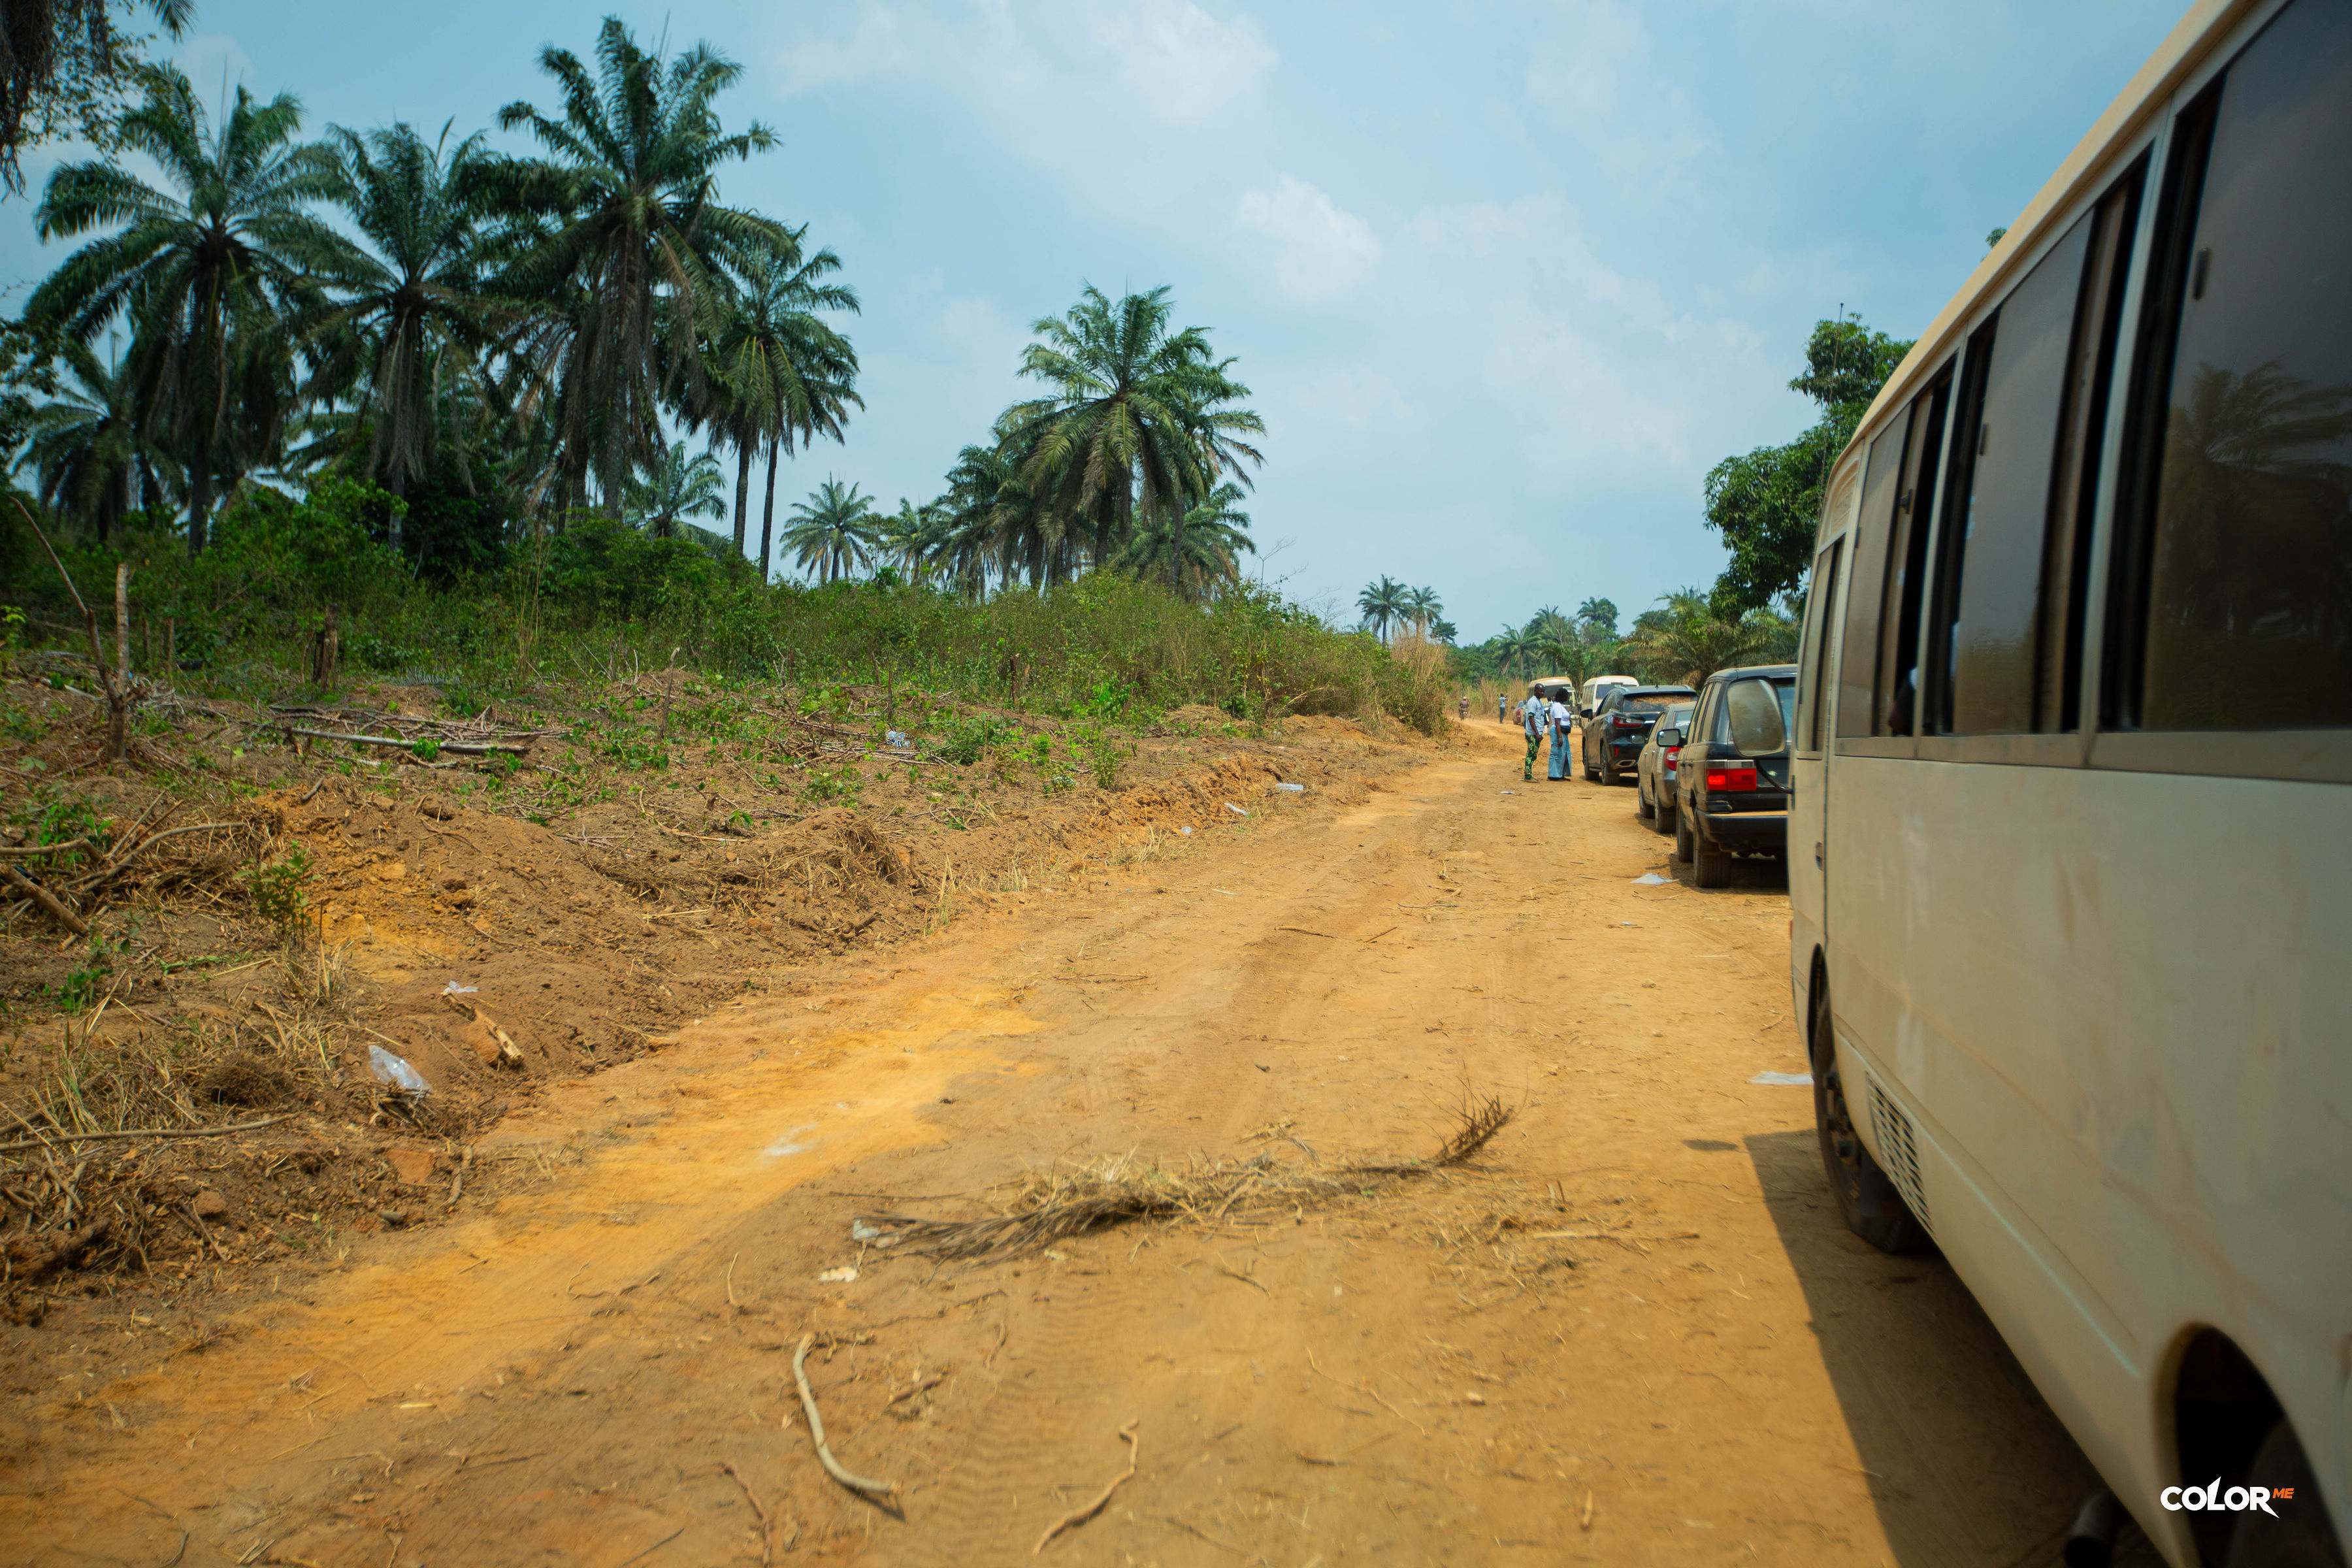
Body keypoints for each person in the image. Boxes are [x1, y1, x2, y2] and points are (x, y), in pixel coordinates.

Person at [1548, 688, 1576, 781]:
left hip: (1563, 733)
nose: (1567, 698)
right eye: (1567, 696)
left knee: (1564, 754)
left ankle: (1560, 774)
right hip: (1558, 732)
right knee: (1557, 754)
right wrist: (1560, 737)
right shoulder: (1557, 707)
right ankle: (1553, 775)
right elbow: (1557, 722)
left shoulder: (1560, 706)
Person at [1520, 689, 1546, 780]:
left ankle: (1529, 773)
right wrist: (1537, 733)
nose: (1542, 693)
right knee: (1531, 754)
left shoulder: (1539, 702)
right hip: (1533, 734)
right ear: (1535, 691)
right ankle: (1528, 775)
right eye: (1540, 691)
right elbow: (1531, 718)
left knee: (1534, 755)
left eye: (1543, 692)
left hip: (1537, 733)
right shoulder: (1533, 702)